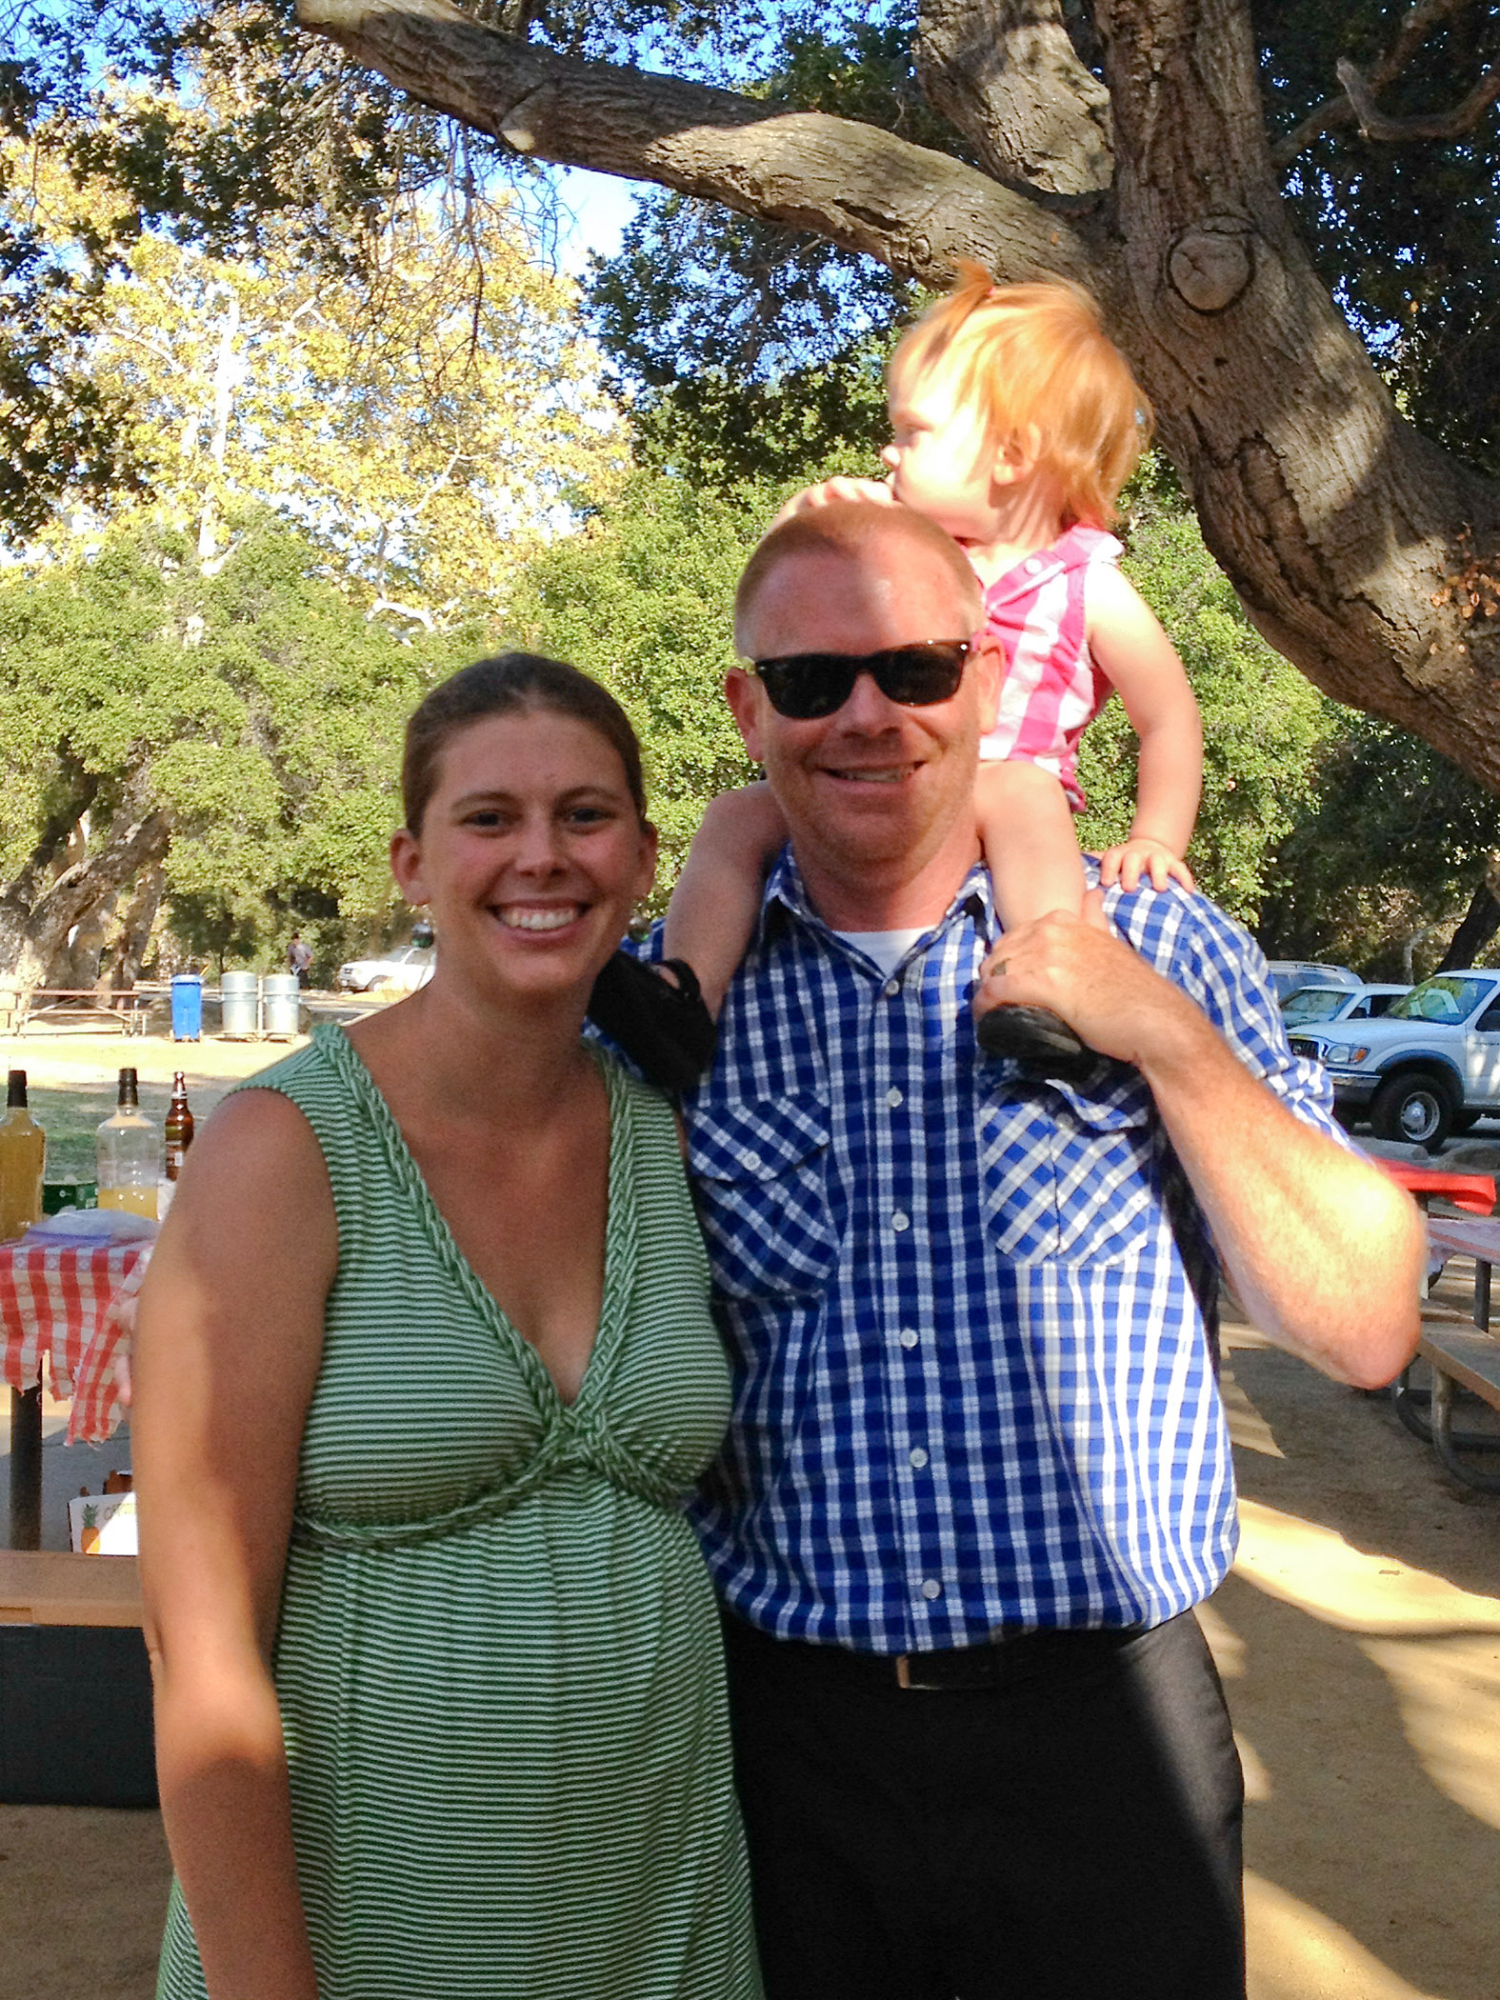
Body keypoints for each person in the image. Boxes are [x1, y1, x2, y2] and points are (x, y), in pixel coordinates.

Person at [663, 500, 1422, 2000]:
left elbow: (1363, 1324)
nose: (868, 715)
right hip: (784, 1754)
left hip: (1108, 1748)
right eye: (812, 681)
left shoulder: (1164, 951)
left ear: (991, 681)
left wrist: (1168, 1043)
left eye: (916, 669)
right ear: (750, 711)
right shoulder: (677, 1008)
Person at [133, 654, 761, 2000]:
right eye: (490, 818)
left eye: (585, 815)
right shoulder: (285, 1150)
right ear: (413, 865)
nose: (543, 856)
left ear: (641, 857)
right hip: (365, 1939)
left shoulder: (661, 1132)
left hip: (660, 1921)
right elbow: (199, 1647)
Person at [663, 270, 1203, 1078]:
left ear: (1012, 455)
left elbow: (1168, 716)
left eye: (913, 432)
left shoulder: (1086, 584)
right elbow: (788, 605)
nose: (889, 452)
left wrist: (1155, 836)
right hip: (888, 786)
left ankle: (1047, 984)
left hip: (1005, 793)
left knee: (1021, 794)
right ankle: (683, 997)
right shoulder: (908, 553)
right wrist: (806, 524)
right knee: (734, 818)